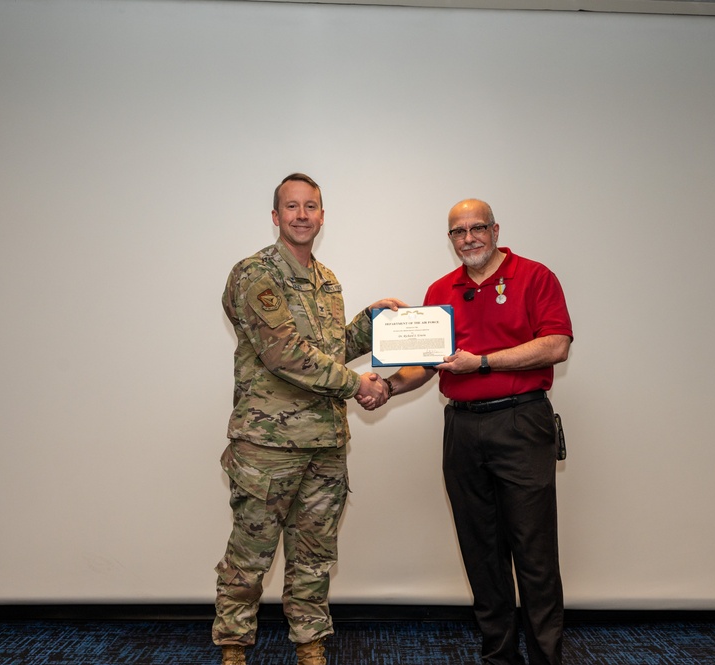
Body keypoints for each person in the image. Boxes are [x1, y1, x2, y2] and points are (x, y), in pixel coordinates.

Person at [213, 173, 401, 665]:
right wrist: (358, 384)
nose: (302, 215)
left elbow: (330, 349)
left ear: (322, 216)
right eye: (291, 207)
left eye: (310, 206)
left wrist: (372, 321)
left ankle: (309, 644)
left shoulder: (327, 280)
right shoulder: (255, 274)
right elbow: (285, 354)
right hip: (268, 447)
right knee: (250, 555)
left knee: (314, 556)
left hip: (323, 444)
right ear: (276, 216)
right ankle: (234, 648)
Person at [377, 198, 572, 665]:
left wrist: (482, 361)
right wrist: (384, 388)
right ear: (451, 239)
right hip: (462, 427)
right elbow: (426, 366)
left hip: (522, 422)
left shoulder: (535, 276)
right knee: (481, 551)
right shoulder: (442, 289)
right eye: (458, 232)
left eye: (477, 228)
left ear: (496, 229)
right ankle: (499, 657)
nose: (469, 238)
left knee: (534, 554)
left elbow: (556, 344)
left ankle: (547, 659)